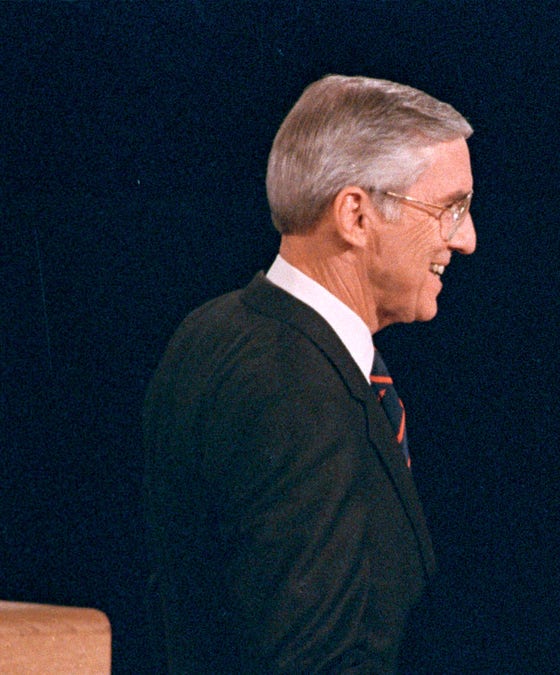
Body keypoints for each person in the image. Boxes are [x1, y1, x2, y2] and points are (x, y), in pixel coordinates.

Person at [143, 74, 476, 672]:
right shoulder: (297, 390)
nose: (467, 238)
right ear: (355, 214)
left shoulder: (214, 329)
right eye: (450, 209)